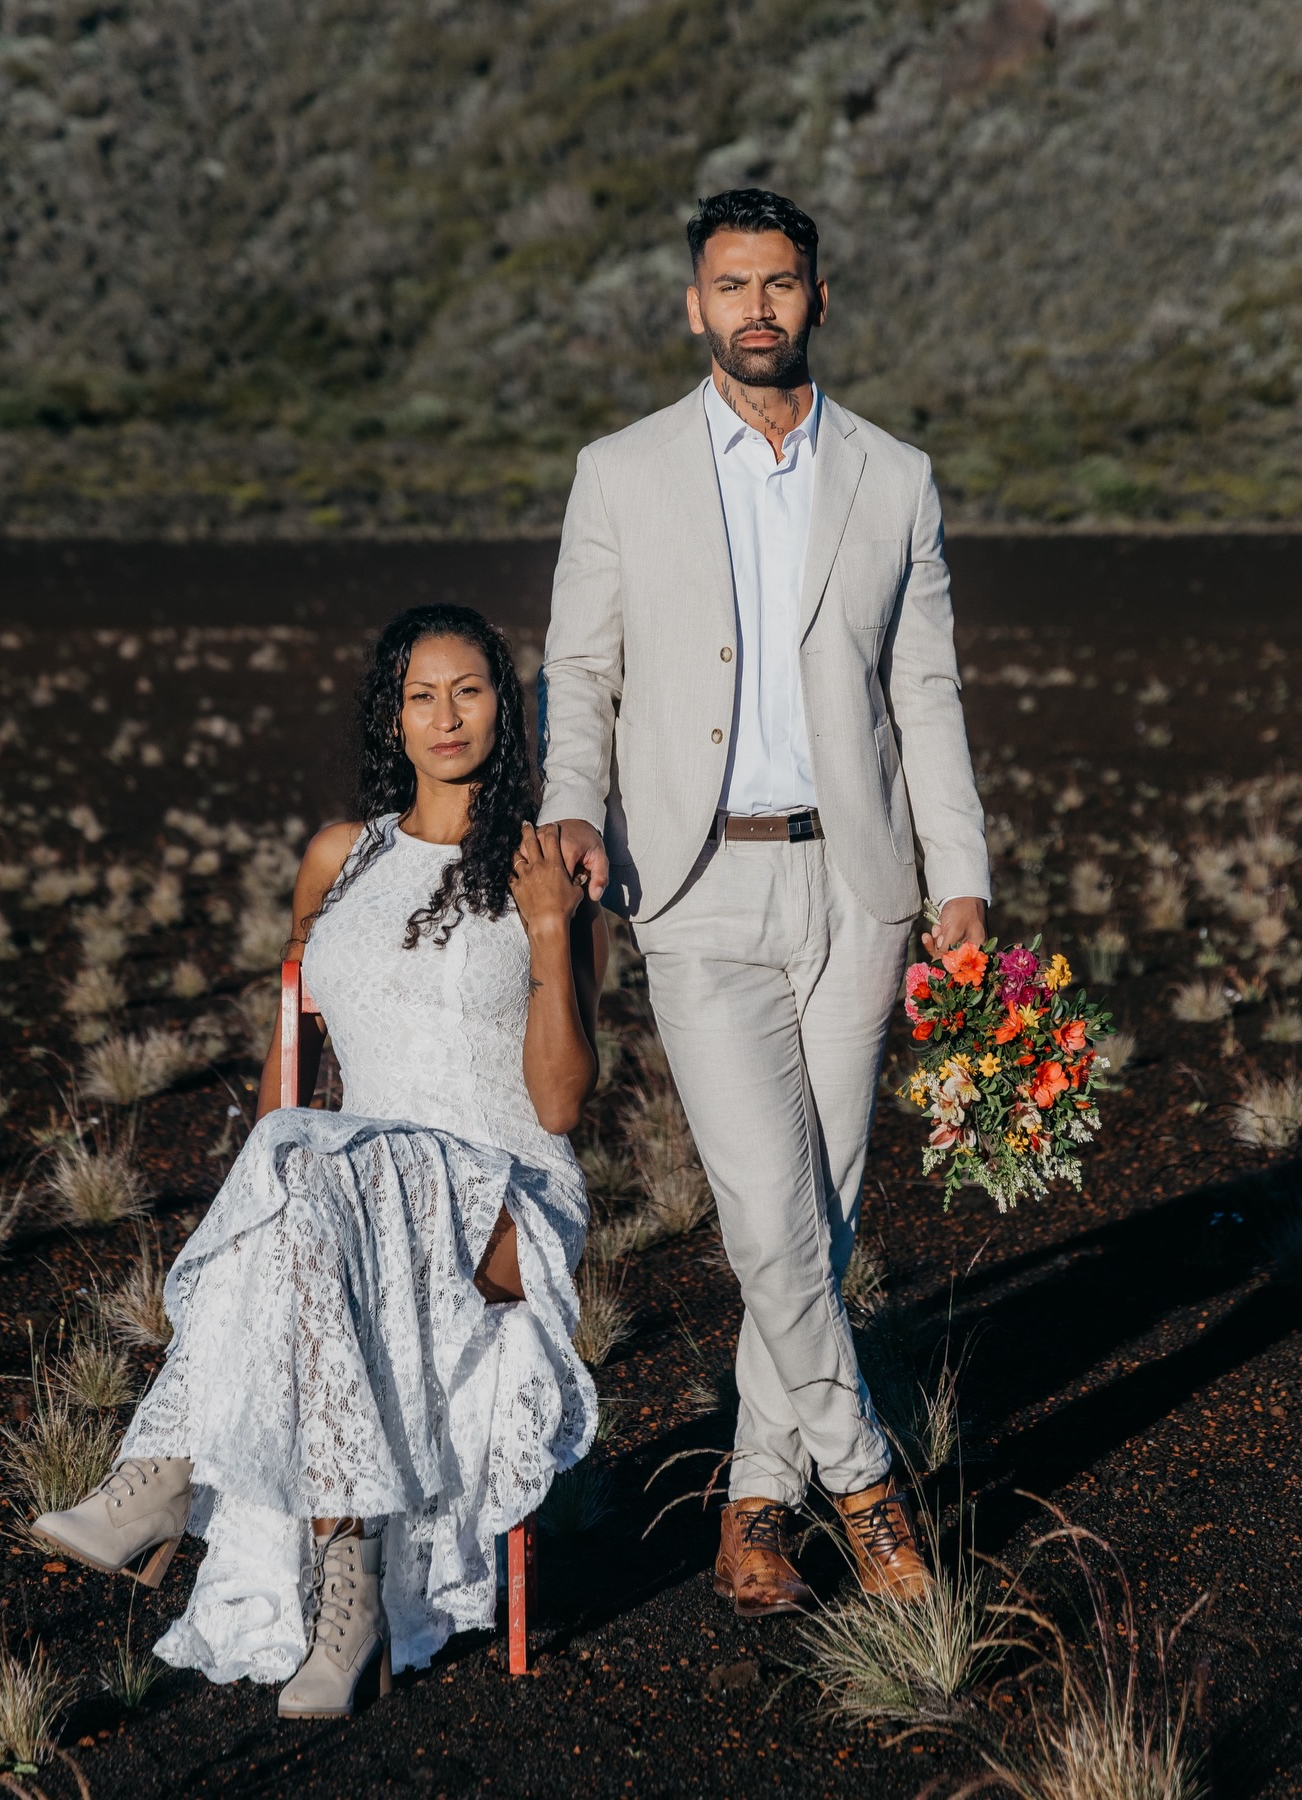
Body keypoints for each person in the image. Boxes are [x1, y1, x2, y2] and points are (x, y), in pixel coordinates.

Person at [537, 189, 991, 1616]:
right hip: (693, 879)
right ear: (694, 305)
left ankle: (750, 1500)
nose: (755, 308)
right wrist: (566, 802)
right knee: (762, 1212)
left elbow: (925, 690)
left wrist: (959, 874)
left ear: (819, 298)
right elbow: (581, 670)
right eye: (729, 285)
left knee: (826, 1214)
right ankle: (864, 1490)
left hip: (858, 885)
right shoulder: (621, 472)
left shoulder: (895, 478)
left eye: (780, 283)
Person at [33, 604, 604, 1715]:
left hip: (503, 1197)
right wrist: (268, 1187)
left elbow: (561, 1100)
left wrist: (545, 931)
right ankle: (349, 1589)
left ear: (507, 707)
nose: (447, 717)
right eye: (421, 695)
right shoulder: (341, 859)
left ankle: (165, 1475)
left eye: (471, 691)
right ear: (392, 716)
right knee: (294, 1185)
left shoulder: (547, 868)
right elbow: (290, 1070)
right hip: (349, 1181)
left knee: (303, 1163)